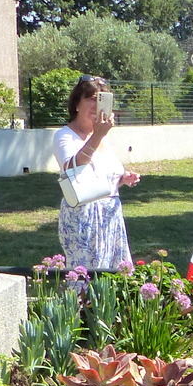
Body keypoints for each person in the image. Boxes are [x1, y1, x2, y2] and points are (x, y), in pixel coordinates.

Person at [54, 75, 140, 270]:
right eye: (91, 98)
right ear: (77, 103)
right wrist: (99, 135)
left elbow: (99, 177)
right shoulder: (64, 135)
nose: (96, 105)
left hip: (111, 215)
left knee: (113, 276)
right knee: (85, 278)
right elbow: (72, 168)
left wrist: (123, 178)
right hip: (83, 216)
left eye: (101, 99)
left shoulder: (102, 137)